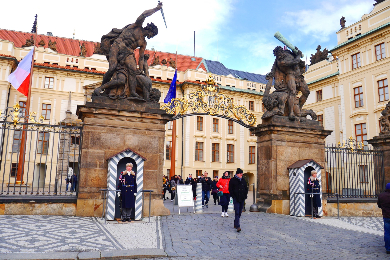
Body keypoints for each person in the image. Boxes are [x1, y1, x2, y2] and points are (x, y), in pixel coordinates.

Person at [94, 2, 162, 97]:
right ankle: (101, 89)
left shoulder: (143, 42)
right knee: (112, 67)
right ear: (150, 30)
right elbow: (144, 14)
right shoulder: (137, 26)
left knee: (133, 69)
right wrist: (156, 9)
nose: (151, 36)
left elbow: (141, 57)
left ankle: (133, 92)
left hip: (128, 52)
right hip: (118, 45)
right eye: (152, 34)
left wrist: (141, 70)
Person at [229, 168, 248, 232]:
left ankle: (235, 222)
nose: (241, 175)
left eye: (242, 174)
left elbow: (246, 188)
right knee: (237, 211)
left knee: (240, 212)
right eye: (240, 174)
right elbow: (230, 189)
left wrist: (245, 195)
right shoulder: (233, 180)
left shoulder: (243, 180)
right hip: (236, 198)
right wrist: (233, 196)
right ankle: (238, 226)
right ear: (237, 174)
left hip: (242, 198)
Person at [377, 183, 390, 254]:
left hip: (386, 216)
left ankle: (388, 248)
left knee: (387, 232)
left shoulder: (381, 195)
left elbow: (379, 205)